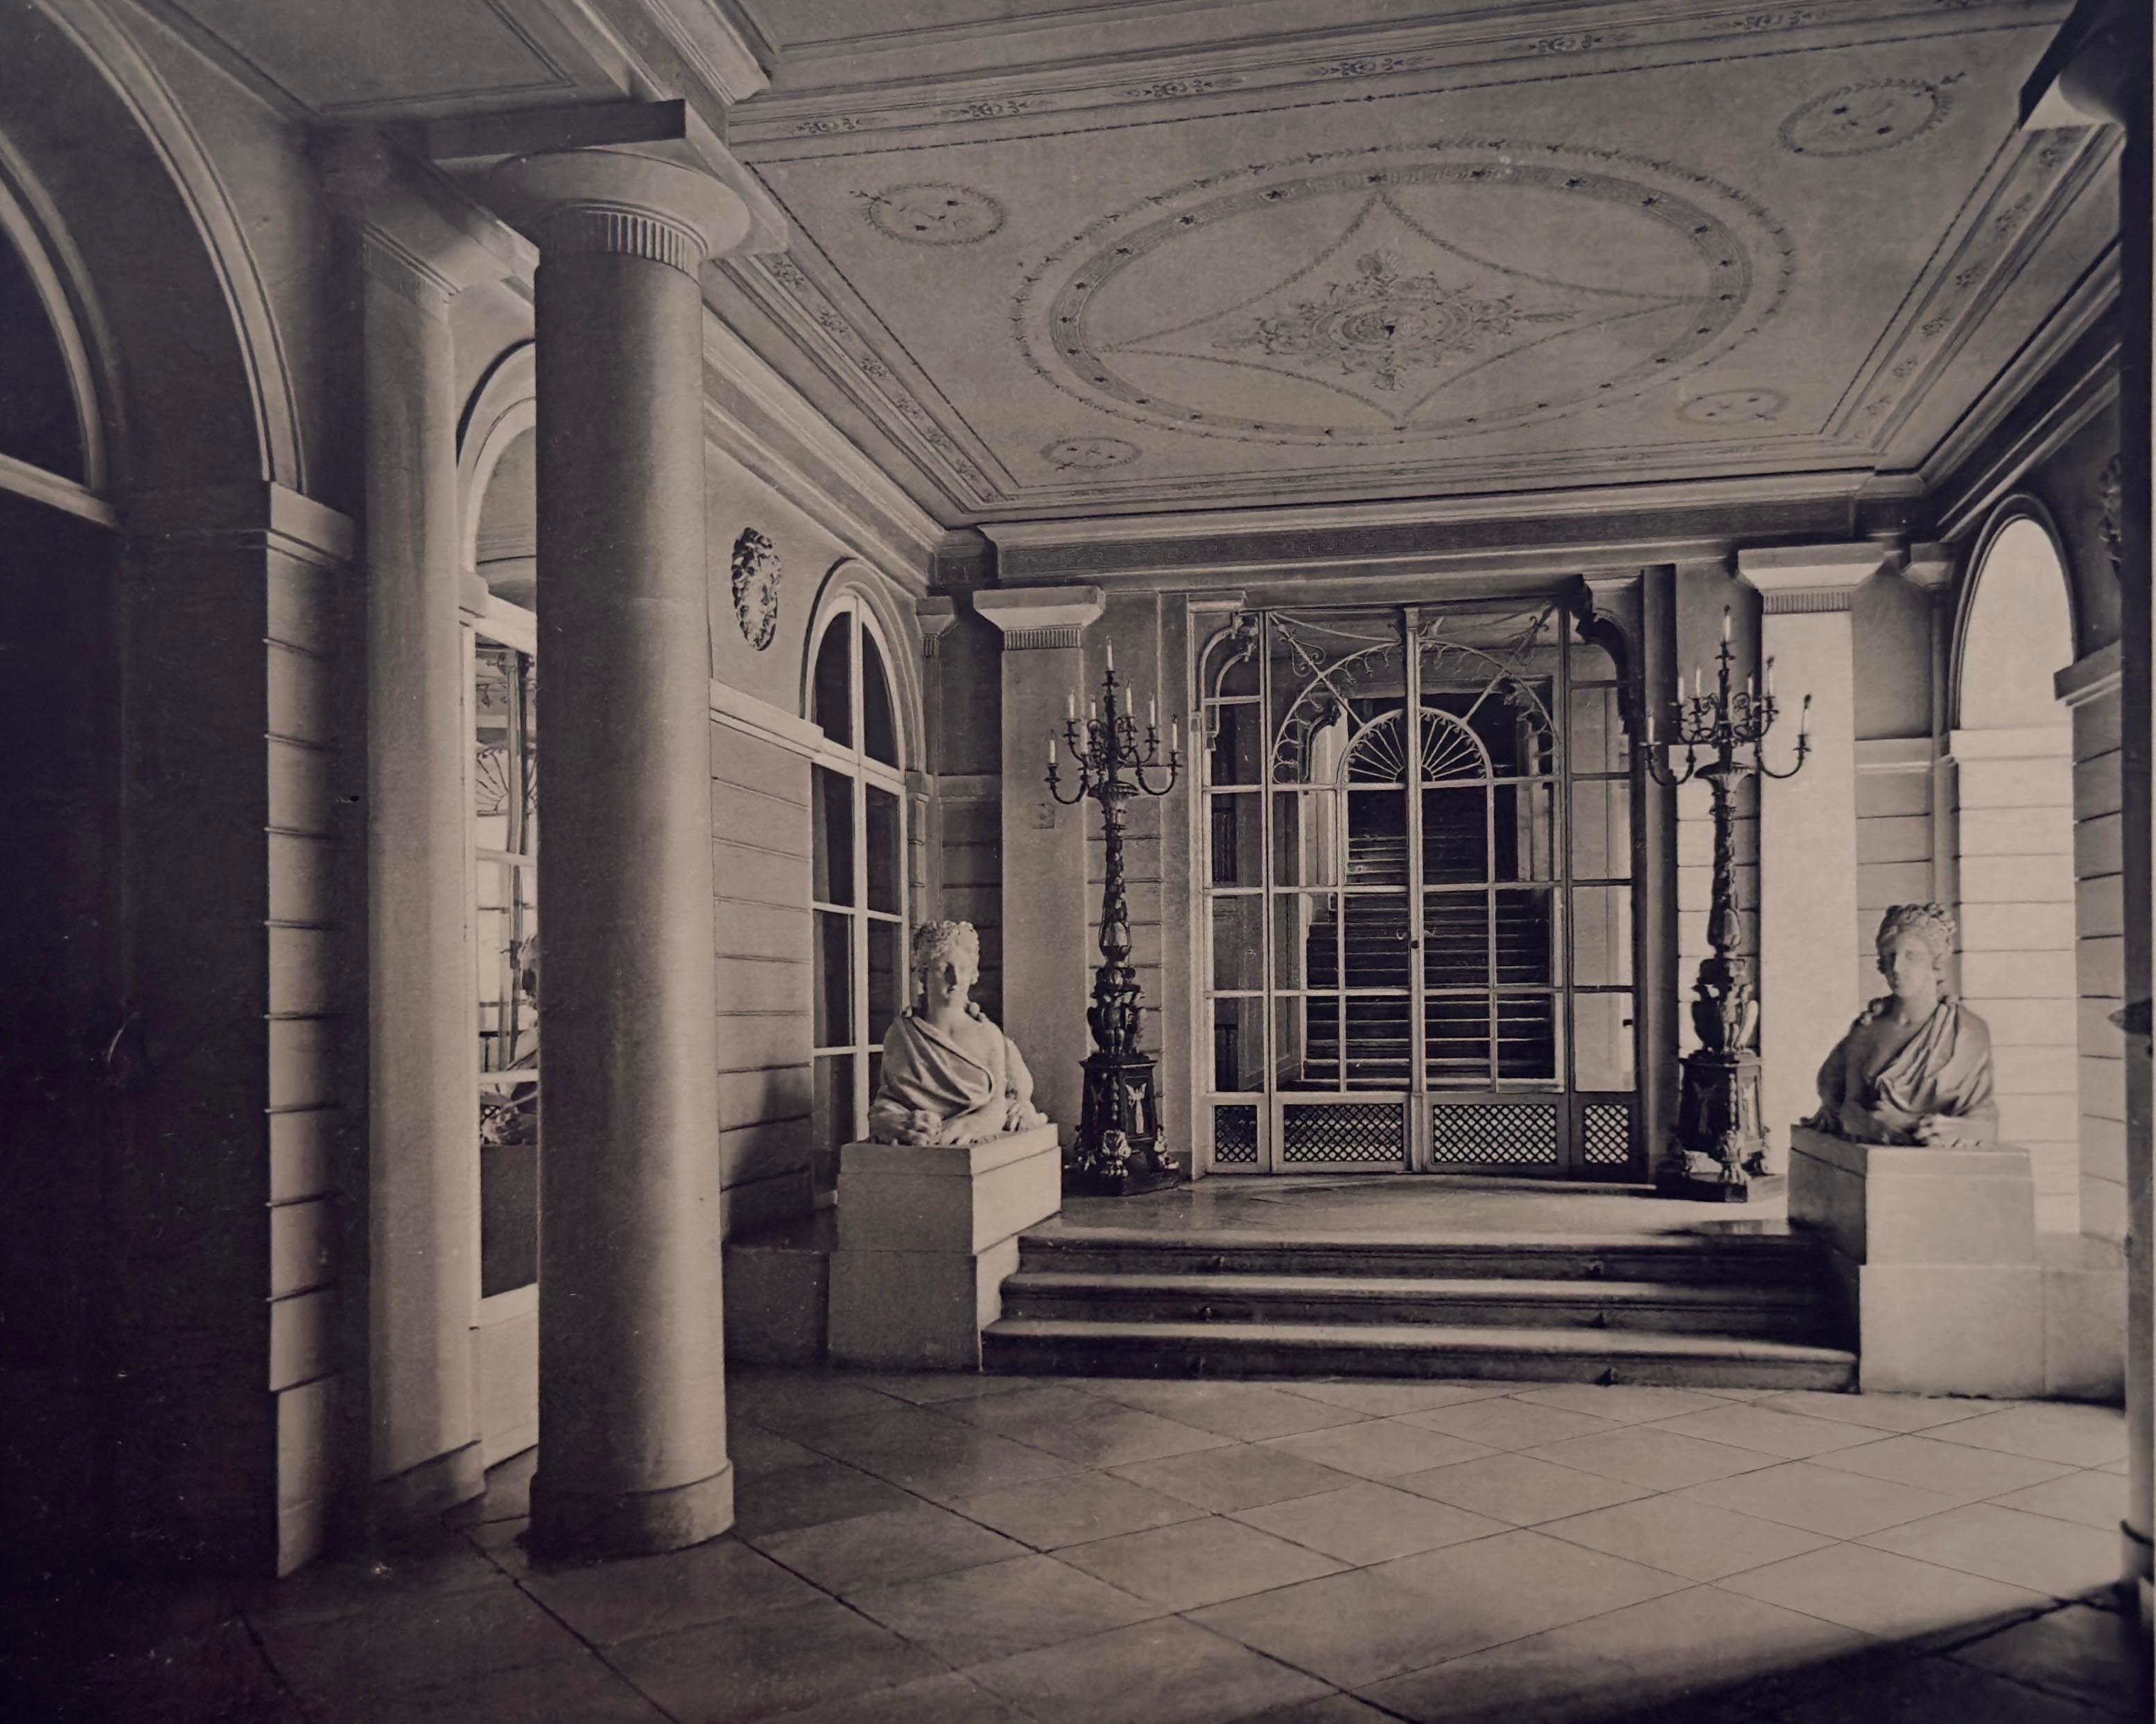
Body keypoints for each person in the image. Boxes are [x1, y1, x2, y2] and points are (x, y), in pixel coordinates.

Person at [1807, 903, 1998, 1148]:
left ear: (1936, 961)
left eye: (1911, 956)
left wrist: (1909, 1123)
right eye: (1890, 957)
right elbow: (1842, 1104)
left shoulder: (1966, 1032)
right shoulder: (1867, 1029)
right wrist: (1873, 1124)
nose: (1897, 968)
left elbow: (1983, 1124)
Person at [869, 921, 1048, 1147]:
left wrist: (967, 1125)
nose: (956, 980)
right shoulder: (902, 1036)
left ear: (973, 973)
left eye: (963, 969)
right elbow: (888, 1102)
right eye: (944, 969)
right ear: (923, 972)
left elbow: (995, 1109)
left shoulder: (988, 1036)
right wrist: (894, 1121)